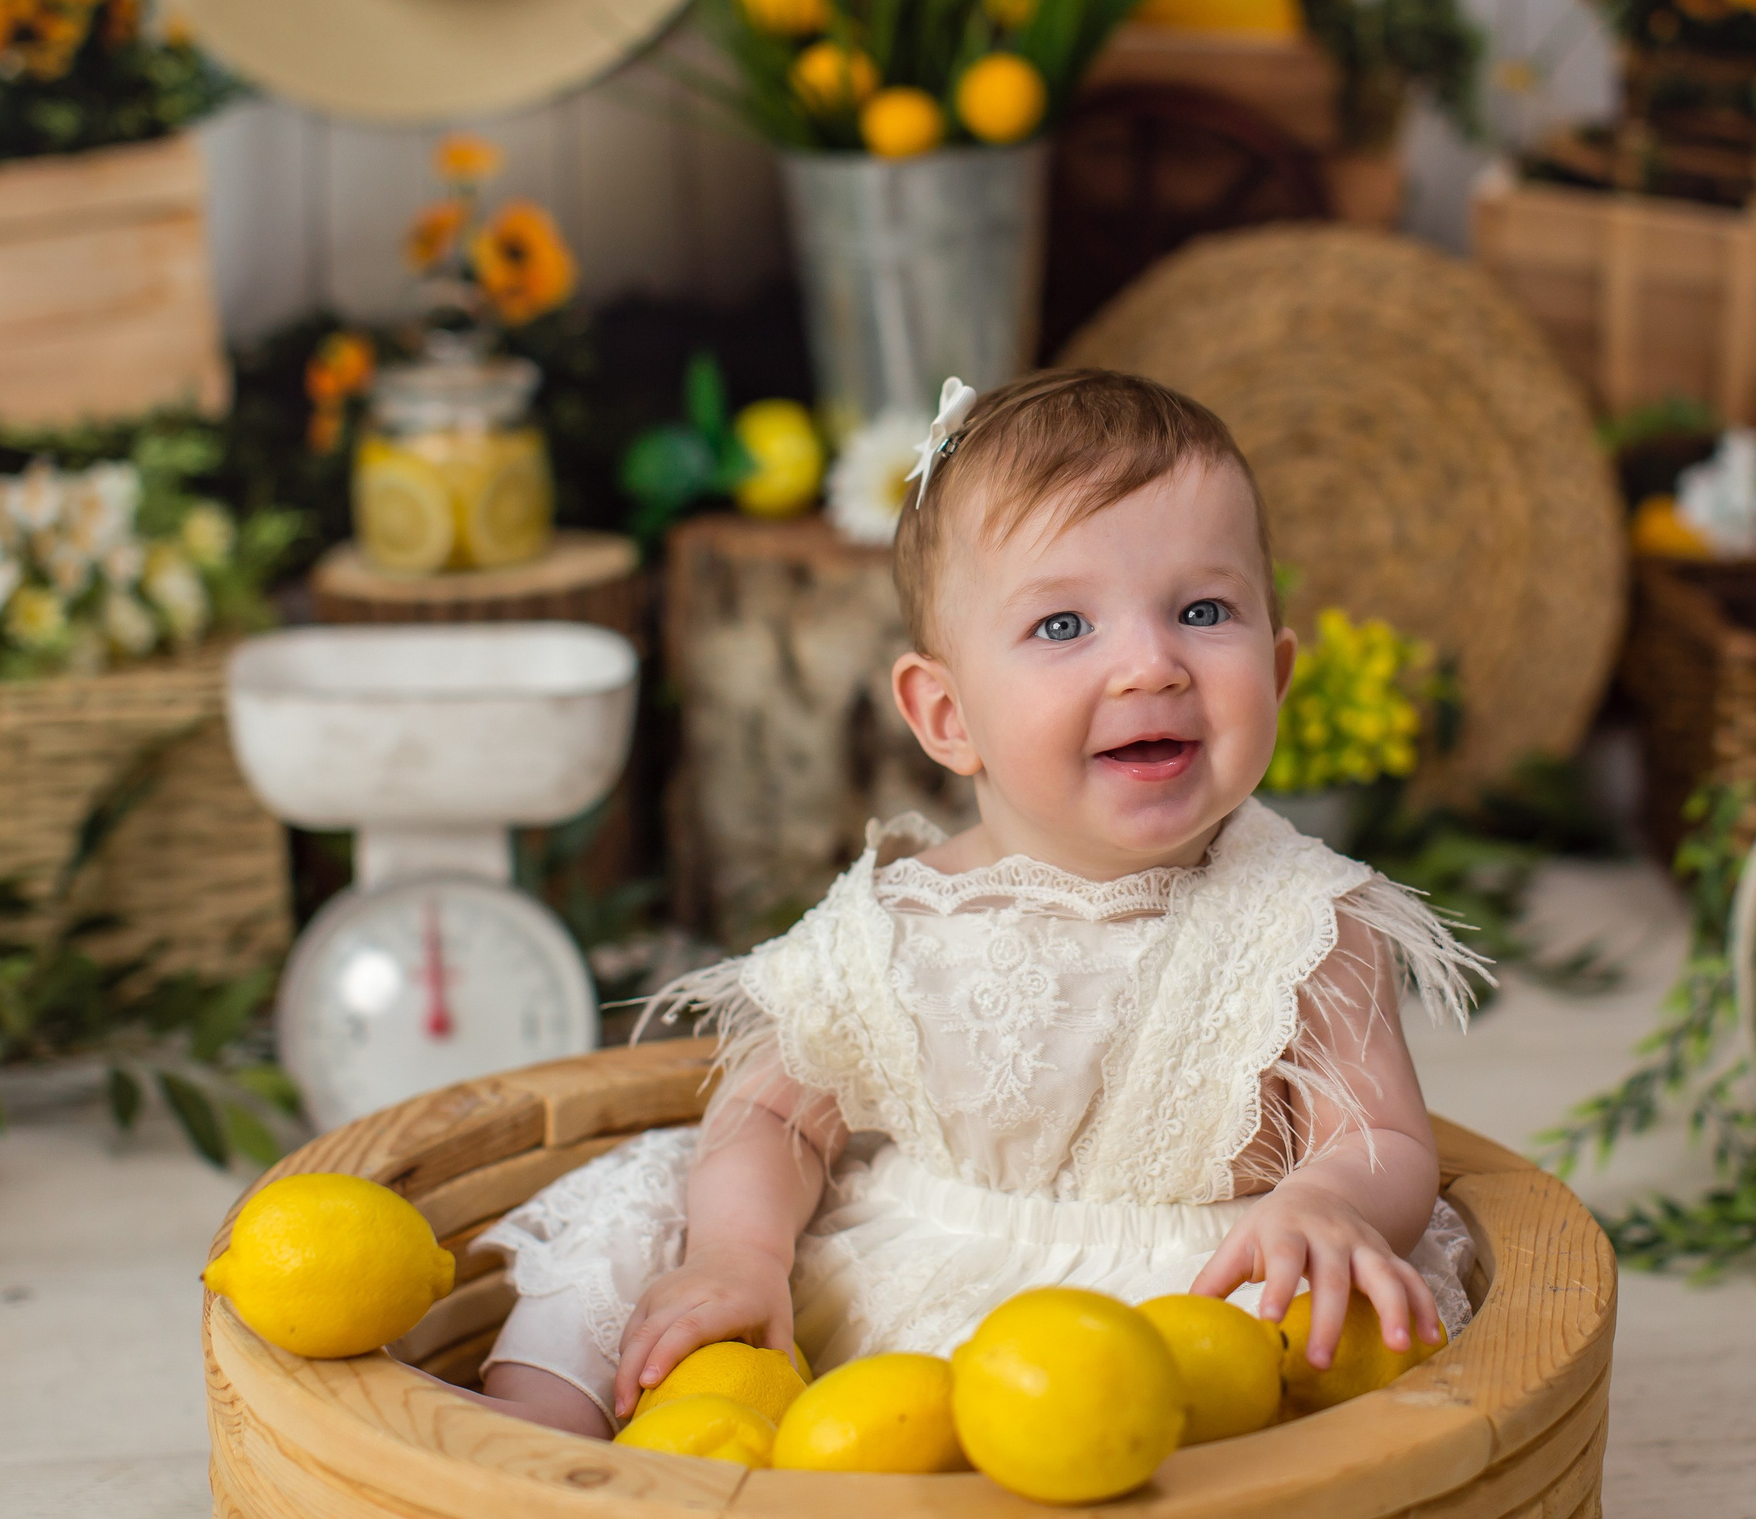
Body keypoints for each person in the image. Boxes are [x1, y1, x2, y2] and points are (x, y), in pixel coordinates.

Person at [472, 368, 1487, 1436]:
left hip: (1191, 1308)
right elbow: (771, 1112)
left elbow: (1378, 1137)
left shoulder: (1306, 924)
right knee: (645, 1207)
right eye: (1063, 626)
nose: (1152, 664)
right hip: (905, 1284)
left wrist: (1325, 1204)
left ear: (1277, 675)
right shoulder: (898, 923)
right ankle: (531, 1465)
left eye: (1202, 610)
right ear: (946, 715)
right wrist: (741, 1256)